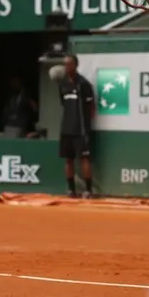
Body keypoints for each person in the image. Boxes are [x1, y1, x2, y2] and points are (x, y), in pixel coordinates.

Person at [58, 54, 96, 199]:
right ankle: (71, 190)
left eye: (68, 64)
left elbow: (91, 107)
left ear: (75, 65)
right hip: (66, 129)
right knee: (68, 159)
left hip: (80, 129)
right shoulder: (63, 85)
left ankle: (88, 190)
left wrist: (85, 125)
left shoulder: (83, 84)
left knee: (84, 159)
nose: (66, 67)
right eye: (64, 64)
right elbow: (63, 103)